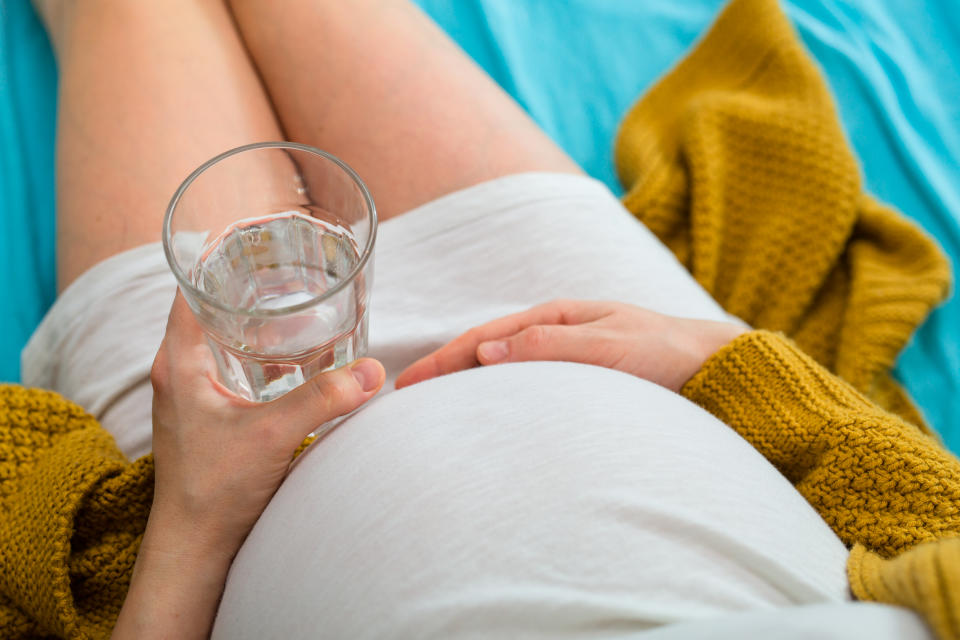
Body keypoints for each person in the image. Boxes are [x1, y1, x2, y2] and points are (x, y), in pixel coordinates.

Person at [22, 0, 940, 638]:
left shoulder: (199, 495)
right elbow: (941, 531)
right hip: (590, 327)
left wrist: (189, 521)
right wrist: (722, 356)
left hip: (218, 478)